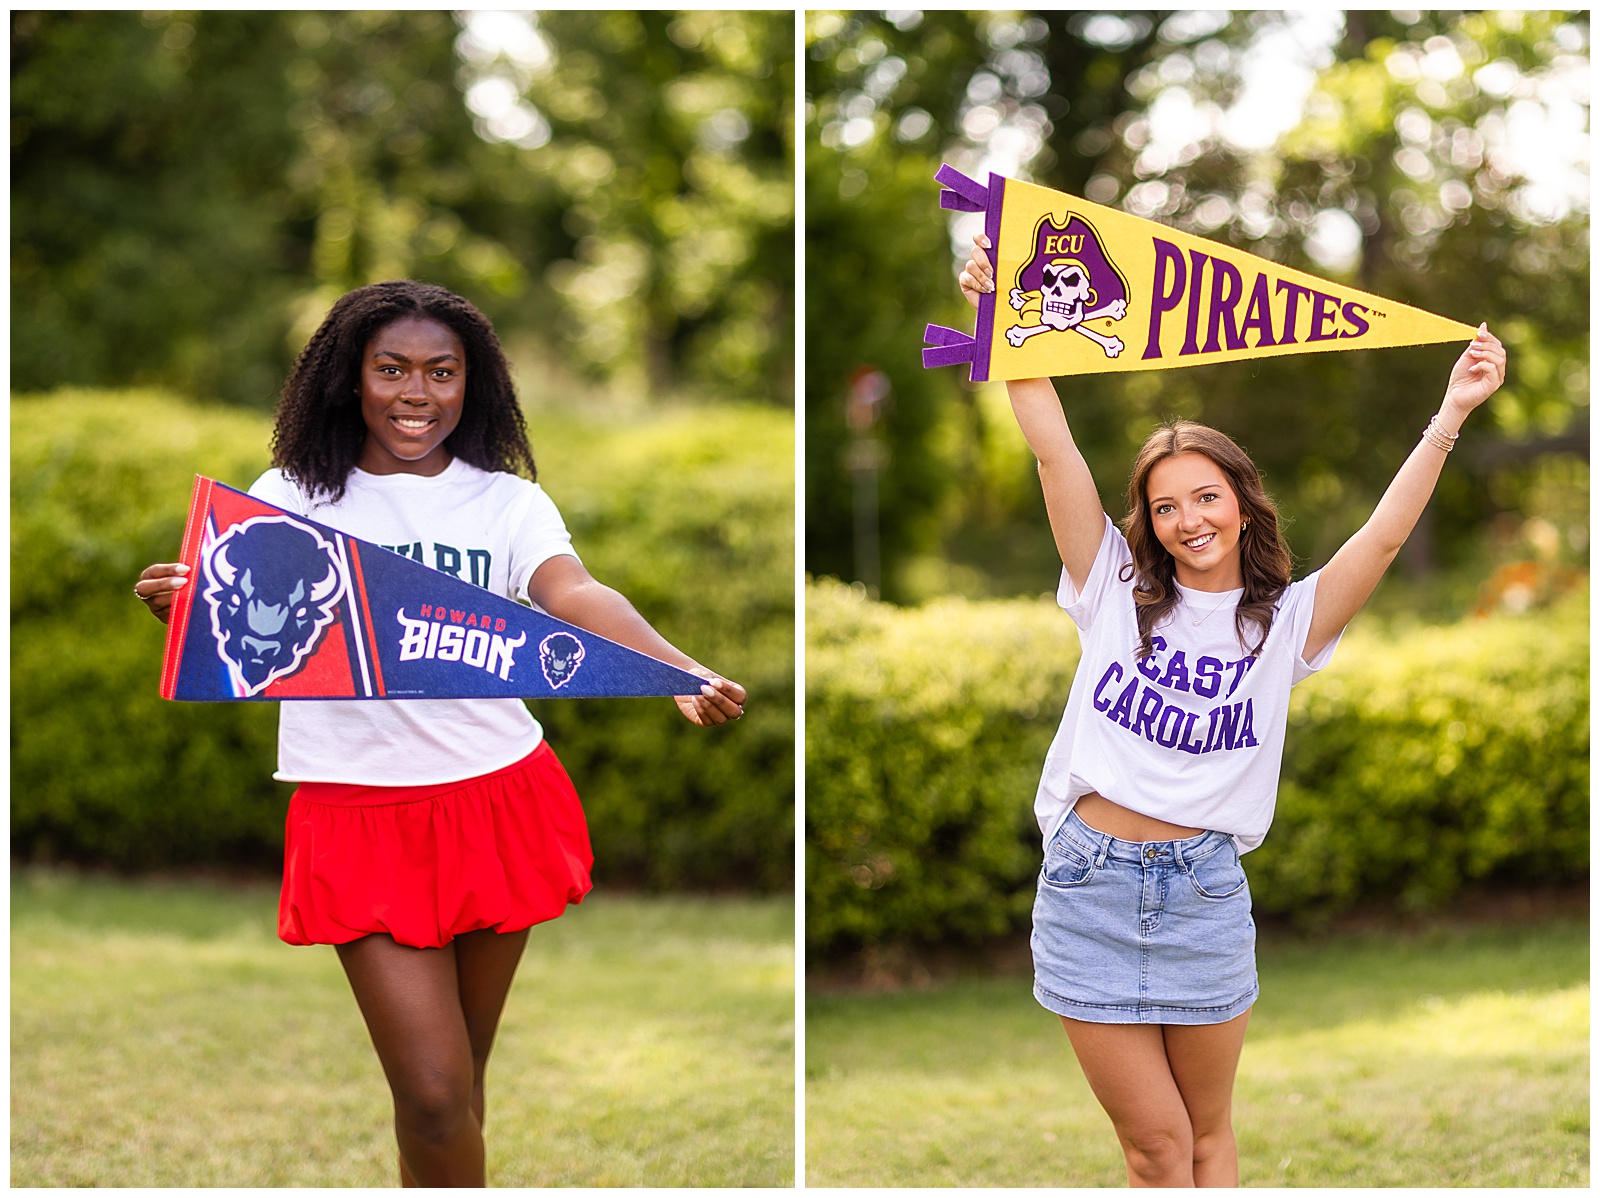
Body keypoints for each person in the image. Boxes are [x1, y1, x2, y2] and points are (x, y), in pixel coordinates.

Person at [134, 280, 747, 1187]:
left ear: (473, 384)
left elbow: (574, 596)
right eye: (391, 370)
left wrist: (673, 669)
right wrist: (182, 608)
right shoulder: (292, 495)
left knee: (460, 1081)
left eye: (441, 372)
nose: (416, 393)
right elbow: (240, 615)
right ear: (350, 378)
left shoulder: (505, 503)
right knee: (431, 1090)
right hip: (357, 810)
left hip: (495, 793)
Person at [958, 234, 1504, 1187]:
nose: (1188, 519)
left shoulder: (1287, 623)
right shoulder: (1110, 586)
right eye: (1165, 506)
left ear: (1241, 505)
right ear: (1149, 522)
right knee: (1155, 1148)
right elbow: (1054, 453)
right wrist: (1014, 317)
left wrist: (1450, 413)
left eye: (1205, 496)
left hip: (1205, 893)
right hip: (1088, 887)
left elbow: (1378, 543)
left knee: (1206, 1143)